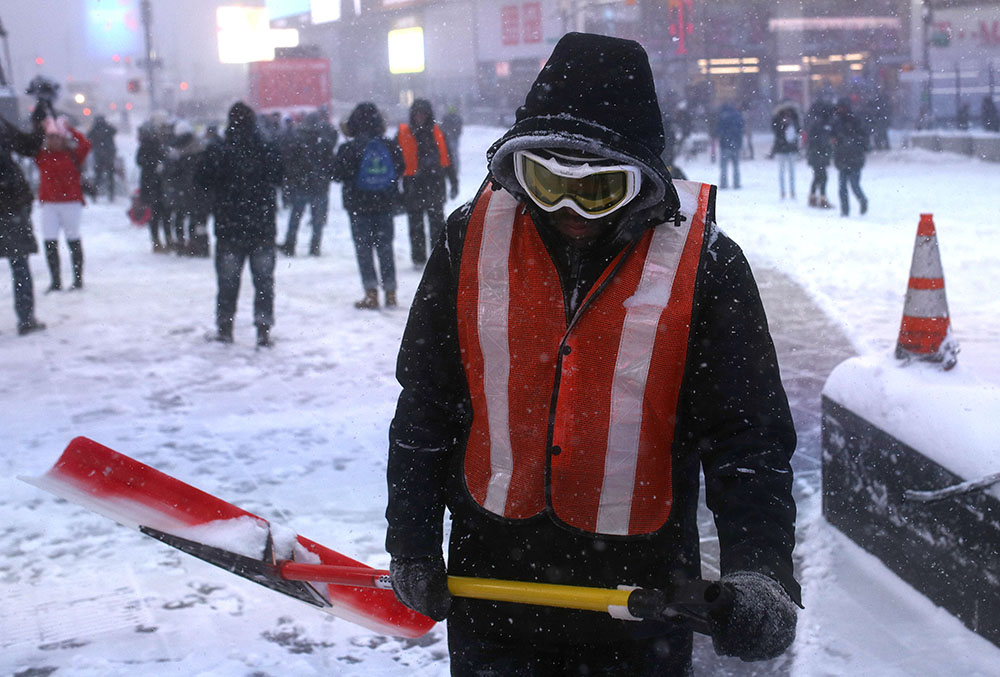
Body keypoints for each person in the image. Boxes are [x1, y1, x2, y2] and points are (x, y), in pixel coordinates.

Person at [385, 32, 800, 676]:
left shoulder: (706, 265)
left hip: (643, 597)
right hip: (494, 585)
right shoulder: (470, 240)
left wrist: (762, 569)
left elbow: (747, 437)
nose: (572, 210)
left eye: (601, 188)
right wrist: (411, 541)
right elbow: (428, 404)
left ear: (645, 181)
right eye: (547, 182)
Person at [197, 102, 283, 347]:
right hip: (262, 226)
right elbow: (279, 176)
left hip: (229, 227)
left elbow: (201, 180)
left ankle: (225, 327)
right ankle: (263, 328)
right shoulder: (266, 148)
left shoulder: (220, 150)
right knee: (264, 282)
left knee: (227, 283)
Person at [332, 102, 405, 310]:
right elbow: (401, 167)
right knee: (385, 248)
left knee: (364, 249)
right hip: (384, 205)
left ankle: (371, 293)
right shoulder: (389, 144)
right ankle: (390, 292)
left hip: (358, 206)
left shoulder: (349, 147)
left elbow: (336, 174)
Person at [0, 110, 46, 334]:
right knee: (19, 263)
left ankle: (26, 317)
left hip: (10, 201)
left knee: (19, 263)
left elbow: (27, 146)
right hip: (10, 202)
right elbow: (27, 146)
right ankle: (26, 318)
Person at [396, 99, 458, 266]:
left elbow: (448, 160)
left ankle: (437, 258)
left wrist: (454, 182)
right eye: (417, 113)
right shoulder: (404, 134)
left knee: (437, 225)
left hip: (434, 185)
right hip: (413, 186)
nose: (419, 117)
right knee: (415, 226)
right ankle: (418, 259)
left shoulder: (438, 133)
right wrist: (395, 187)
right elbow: (397, 162)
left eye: (423, 113)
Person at [34, 114, 91, 292]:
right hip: (49, 203)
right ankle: (56, 281)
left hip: (70, 202)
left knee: (73, 238)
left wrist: (70, 129)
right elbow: (30, 145)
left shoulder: (73, 155)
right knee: (49, 241)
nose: (54, 141)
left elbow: (85, 144)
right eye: (50, 137)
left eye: (57, 137)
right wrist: (41, 127)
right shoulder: (42, 156)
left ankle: (78, 279)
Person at [277, 112, 337, 257]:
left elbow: (290, 163)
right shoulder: (324, 143)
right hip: (320, 186)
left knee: (295, 217)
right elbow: (331, 165)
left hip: (302, 185)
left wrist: (294, 178)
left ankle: (290, 245)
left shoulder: (297, 142)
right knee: (317, 221)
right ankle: (315, 246)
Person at [162, 120, 210, 257]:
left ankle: (186, 244)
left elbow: (170, 172)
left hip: (184, 190)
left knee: (183, 218)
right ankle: (197, 245)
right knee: (195, 220)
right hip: (195, 191)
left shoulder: (177, 151)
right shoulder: (200, 148)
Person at [136, 115, 170, 252]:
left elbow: (140, 162)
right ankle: (165, 240)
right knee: (163, 213)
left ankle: (157, 241)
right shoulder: (157, 145)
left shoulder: (146, 146)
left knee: (156, 214)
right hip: (158, 184)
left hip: (151, 184)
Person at [832, 98, 869, 217]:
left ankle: (860, 201)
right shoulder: (838, 122)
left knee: (853, 185)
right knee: (844, 187)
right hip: (845, 157)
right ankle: (845, 210)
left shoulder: (853, 121)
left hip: (852, 158)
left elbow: (862, 138)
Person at [805, 101, 834, 209]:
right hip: (820, 155)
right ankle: (822, 198)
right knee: (822, 177)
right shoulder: (823, 126)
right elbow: (823, 142)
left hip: (816, 155)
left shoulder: (815, 124)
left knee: (818, 177)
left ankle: (813, 197)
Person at [769, 101, 801, 200]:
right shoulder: (777, 118)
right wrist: (782, 125)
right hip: (782, 148)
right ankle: (783, 191)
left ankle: (792, 191)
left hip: (790, 148)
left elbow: (798, 129)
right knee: (782, 172)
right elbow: (775, 130)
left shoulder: (794, 117)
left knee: (791, 172)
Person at [87, 115, 117, 201]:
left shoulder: (95, 129)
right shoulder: (106, 128)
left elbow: (88, 137)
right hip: (107, 155)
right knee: (108, 176)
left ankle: (95, 194)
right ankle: (110, 194)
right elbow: (114, 131)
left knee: (99, 176)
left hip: (100, 155)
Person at [714, 102, 744, 189]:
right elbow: (741, 129)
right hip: (736, 144)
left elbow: (718, 130)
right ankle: (736, 183)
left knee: (724, 166)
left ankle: (724, 184)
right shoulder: (738, 116)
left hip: (725, 145)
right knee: (736, 166)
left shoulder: (722, 117)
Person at [441, 103, 464, 173]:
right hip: (452, 138)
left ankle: (450, 169)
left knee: (450, 154)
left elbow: (443, 127)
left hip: (450, 138)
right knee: (453, 154)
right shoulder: (457, 118)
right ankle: (454, 169)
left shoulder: (447, 118)